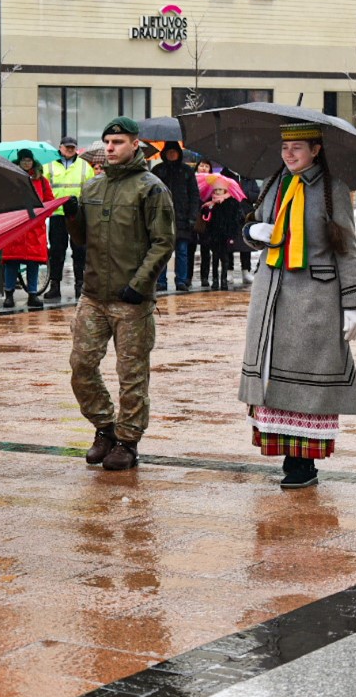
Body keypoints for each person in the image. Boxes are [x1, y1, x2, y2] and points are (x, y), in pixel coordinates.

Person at [238, 123, 356, 488]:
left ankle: (303, 463)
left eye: (297, 147)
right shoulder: (273, 183)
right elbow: (255, 226)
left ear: (315, 150)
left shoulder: (332, 189)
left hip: (315, 298)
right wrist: (252, 232)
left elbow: (346, 249)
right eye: (285, 147)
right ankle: (286, 454)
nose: (289, 154)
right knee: (272, 378)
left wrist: (354, 303)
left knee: (309, 382)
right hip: (271, 294)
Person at [65, 118, 175, 472]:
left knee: (132, 374)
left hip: (131, 301)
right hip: (94, 295)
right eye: (107, 142)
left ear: (135, 144)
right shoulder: (93, 186)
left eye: (118, 142)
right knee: (81, 366)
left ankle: (127, 441)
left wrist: (139, 286)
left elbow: (163, 242)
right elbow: (82, 239)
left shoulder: (151, 188)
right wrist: (72, 217)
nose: (110, 148)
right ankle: (105, 427)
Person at [3, 150, 54, 309]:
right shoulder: (10, 178)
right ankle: (9, 295)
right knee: (11, 262)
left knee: (33, 262)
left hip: (34, 228)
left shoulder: (42, 181)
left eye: (29, 160)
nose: (27, 163)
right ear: (19, 161)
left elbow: (49, 201)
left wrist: (42, 215)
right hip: (16, 227)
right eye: (24, 160)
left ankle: (33, 294)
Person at [43, 136, 92, 300]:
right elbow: (43, 188)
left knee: (79, 251)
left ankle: (80, 285)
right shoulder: (48, 166)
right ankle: (55, 286)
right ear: (60, 147)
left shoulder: (84, 166)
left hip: (77, 215)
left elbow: (90, 189)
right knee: (57, 251)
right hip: (57, 214)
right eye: (67, 147)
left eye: (72, 147)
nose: (70, 149)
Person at [152, 143, 200, 292]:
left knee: (182, 251)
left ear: (179, 153)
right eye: (169, 152)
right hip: (162, 217)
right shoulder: (158, 170)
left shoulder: (187, 171)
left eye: (174, 151)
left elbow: (194, 195)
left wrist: (192, 217)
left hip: (183, 218)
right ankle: (161, 281)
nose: (172, 154)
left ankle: (181, 280)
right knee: (162, 251)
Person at [198, 186, 243, 290]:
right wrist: (208, 209)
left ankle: (224, 280)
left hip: (226, 235)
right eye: (215, 190)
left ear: (225, 190)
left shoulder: (232, 202)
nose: (217, 192)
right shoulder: (211, 203)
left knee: (225, 258)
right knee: (215, 258)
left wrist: (232, 235)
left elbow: (237, 219)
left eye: (220, 189)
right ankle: (215, 280)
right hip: (214, 235)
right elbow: (205, 218)